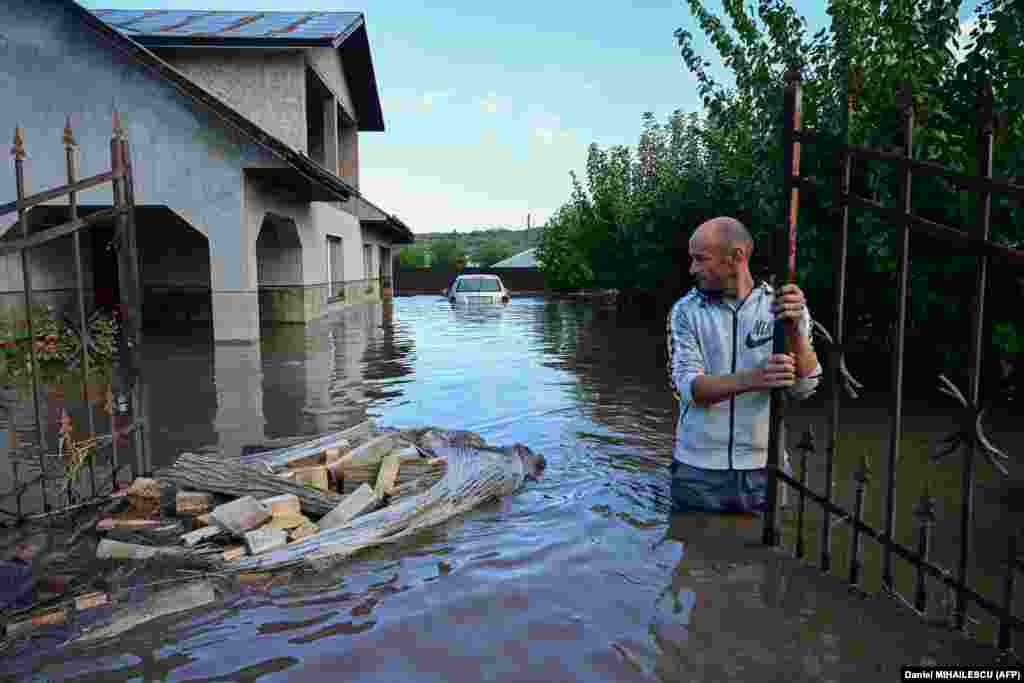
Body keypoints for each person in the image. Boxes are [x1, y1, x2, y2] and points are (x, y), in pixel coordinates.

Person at [666, 216, 822, 513]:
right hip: (698, 472)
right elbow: (688, 388)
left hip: (766, 469)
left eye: (701, 259)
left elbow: (806, 386)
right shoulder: (685, 311)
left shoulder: (782, 304)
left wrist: (794, 330)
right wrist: (757, 377)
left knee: (767, 558)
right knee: (694, 556)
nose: (692, 269)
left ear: (736, 257)